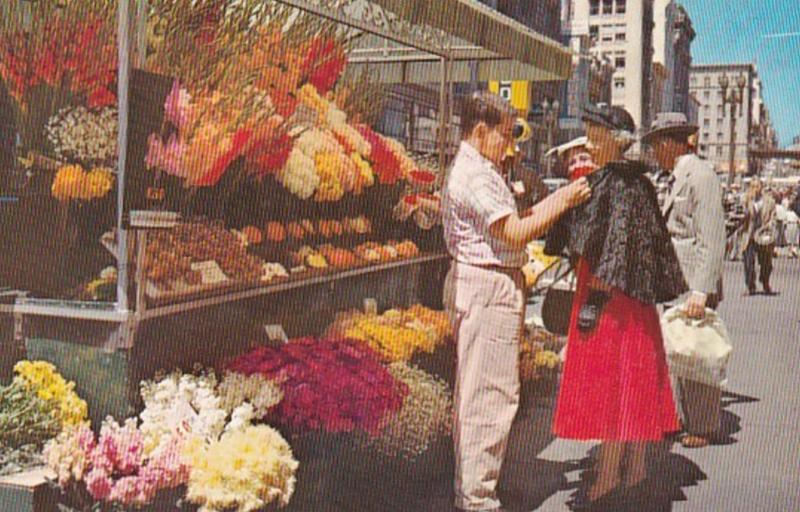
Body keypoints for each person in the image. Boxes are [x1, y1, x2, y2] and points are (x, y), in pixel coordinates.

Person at [441, 91, 591, 512]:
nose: (510, 146)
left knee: (489, 393)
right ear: (480, 131)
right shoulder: (473, 175)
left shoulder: (484, 169)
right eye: (504, 136)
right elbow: (514, 232)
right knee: (487, 397)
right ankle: (477, 498)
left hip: (493, 284)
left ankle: (476, 490)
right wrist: (564, 199)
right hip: (487, 285)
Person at [547, 105, 685, 510]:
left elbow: (609, 247)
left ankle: (607, 476)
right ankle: (635, 470)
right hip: (636, 302)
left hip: (608, 301)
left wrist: (595, 296)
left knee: (611, 389)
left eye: (594, 133)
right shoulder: (638, 183)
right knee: (635, 384)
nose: (588, 142)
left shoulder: (612, 182)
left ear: (614, 139)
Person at [643, 112, 727, 449]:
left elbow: (713, 237)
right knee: (678, 350)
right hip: (673, 278)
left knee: (696, 353)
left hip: (692, 280)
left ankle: (702, 424)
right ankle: (678, 416)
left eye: (655, 145)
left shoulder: (700, 176)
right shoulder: (671, 176)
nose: (652, 152)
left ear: (667, 143)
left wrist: (701, 290)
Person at [739, 179, 777, 294]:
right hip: (749, 235)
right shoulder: (745, 199)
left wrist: (769, 227)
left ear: (762, 187)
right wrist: (746, 203)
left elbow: (773, 218)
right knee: (748, 262)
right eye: (753, 186)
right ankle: (750, 286)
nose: (755, 189)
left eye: (757, 186)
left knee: (766, 263)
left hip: (763, 235)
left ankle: (765, 282)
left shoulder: (770, 201)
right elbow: (740, 215)